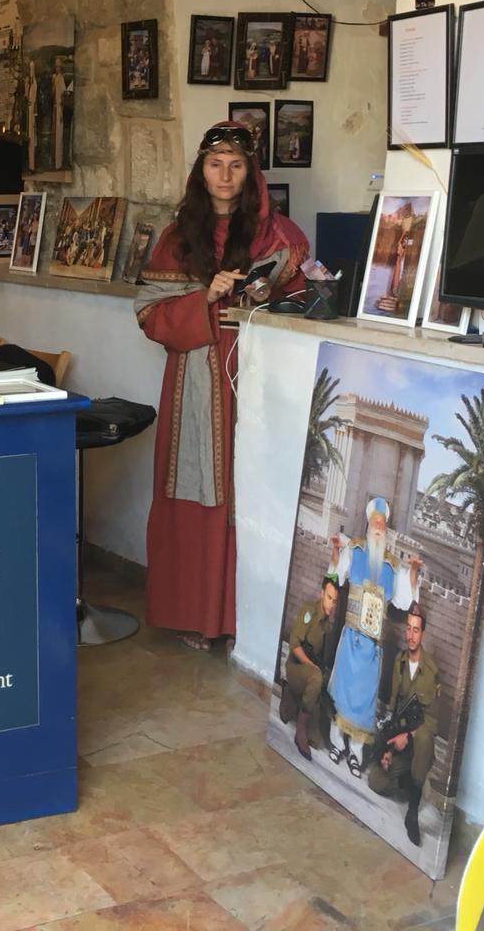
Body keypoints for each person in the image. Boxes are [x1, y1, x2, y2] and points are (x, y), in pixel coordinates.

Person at [134, 122, 310, 649]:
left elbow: (305, 305)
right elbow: (148, 314)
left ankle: (246, 621)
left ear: (251, 172)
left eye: (236, 165)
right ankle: (199, 616)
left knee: (252, 488)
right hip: (195, 379)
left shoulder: (280, 236)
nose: (225, 175)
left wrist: (263, 299)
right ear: (201, 170)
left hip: (258, 376)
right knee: (202, 488)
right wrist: (206, 297)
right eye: (216, 164)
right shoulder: (177, 237)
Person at [327, 497, 419, 773]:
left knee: (365, 701)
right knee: (342, 690)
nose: (379, 526)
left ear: (386, 528)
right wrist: (334, 554)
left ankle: (356, 751)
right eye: (375, 522)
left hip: (372, 647)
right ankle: (336, 742)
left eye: (383, 523)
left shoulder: (392, 564)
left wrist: (413, 571)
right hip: (351, 638)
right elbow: (336, 575)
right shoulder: (354, 549)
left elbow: (405, 597)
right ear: (368, 524)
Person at [367, 602, 439, 846]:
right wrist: (387, 748)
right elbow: (392, 710)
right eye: (408, 628)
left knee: (424, 736)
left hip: (416, 746)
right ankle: (407, 781)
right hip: (397, 743)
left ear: (423, 634)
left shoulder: (431, 671)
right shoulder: (399, 661)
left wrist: (407, 736)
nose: (410, 635)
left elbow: (431, 721)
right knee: (375, 781)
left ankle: (413, 809)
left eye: (416, 630)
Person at [278, 574, 338, 759]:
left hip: (310, 674)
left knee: (316, 741)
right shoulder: (309, 612)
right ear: (322, 594)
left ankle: (293, 696)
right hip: (295, 668)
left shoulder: (329, 626)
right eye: (329, 598)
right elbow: (295, 645)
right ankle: (300, 730)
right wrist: (313, 668)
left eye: (335, 601)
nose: (331, 604)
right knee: (316, 677)